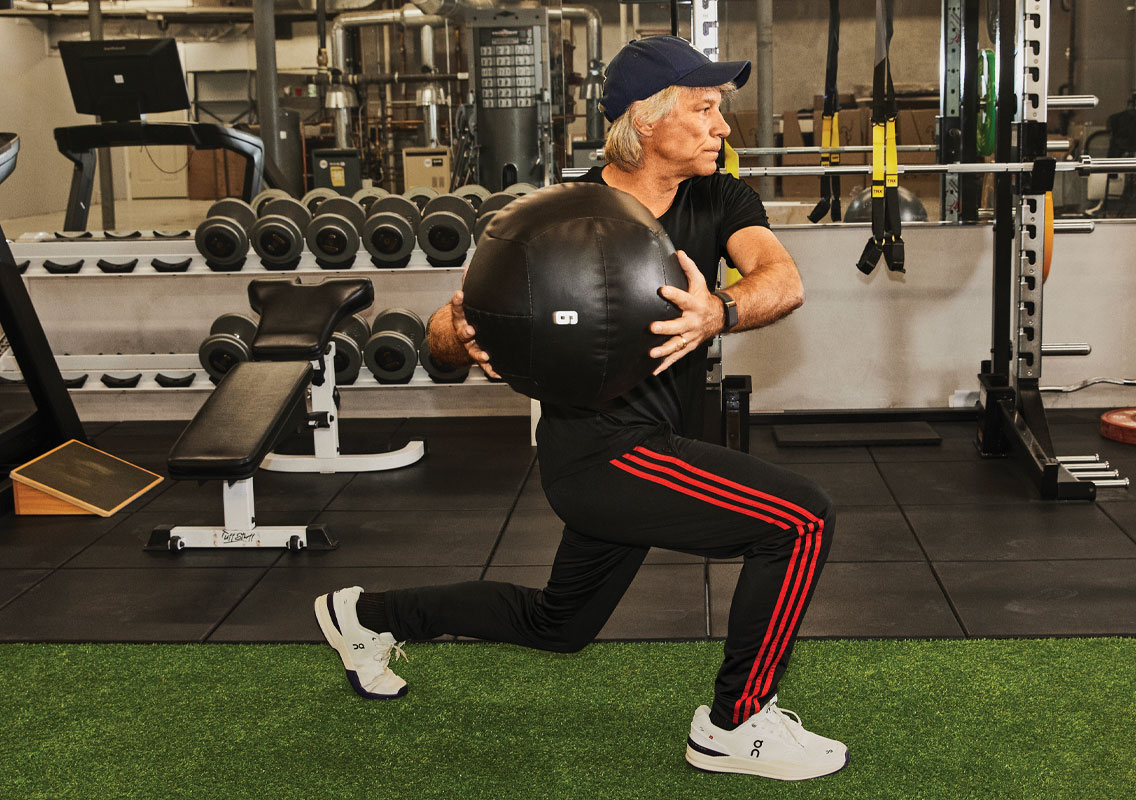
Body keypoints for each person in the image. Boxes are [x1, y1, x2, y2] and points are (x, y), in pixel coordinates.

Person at [314, 35, 847, 782]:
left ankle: (367, 615)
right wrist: (461, 336)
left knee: (557, 625)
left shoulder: (721, 196)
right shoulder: (561, 214)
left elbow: (781, 279)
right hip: (598, 454)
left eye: (720, 110)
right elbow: (443, 330)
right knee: (800, 519)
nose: (723, 128)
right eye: (704, 110)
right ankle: (737, 723)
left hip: (658, 446)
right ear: (645, 121)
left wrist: (717, 312)